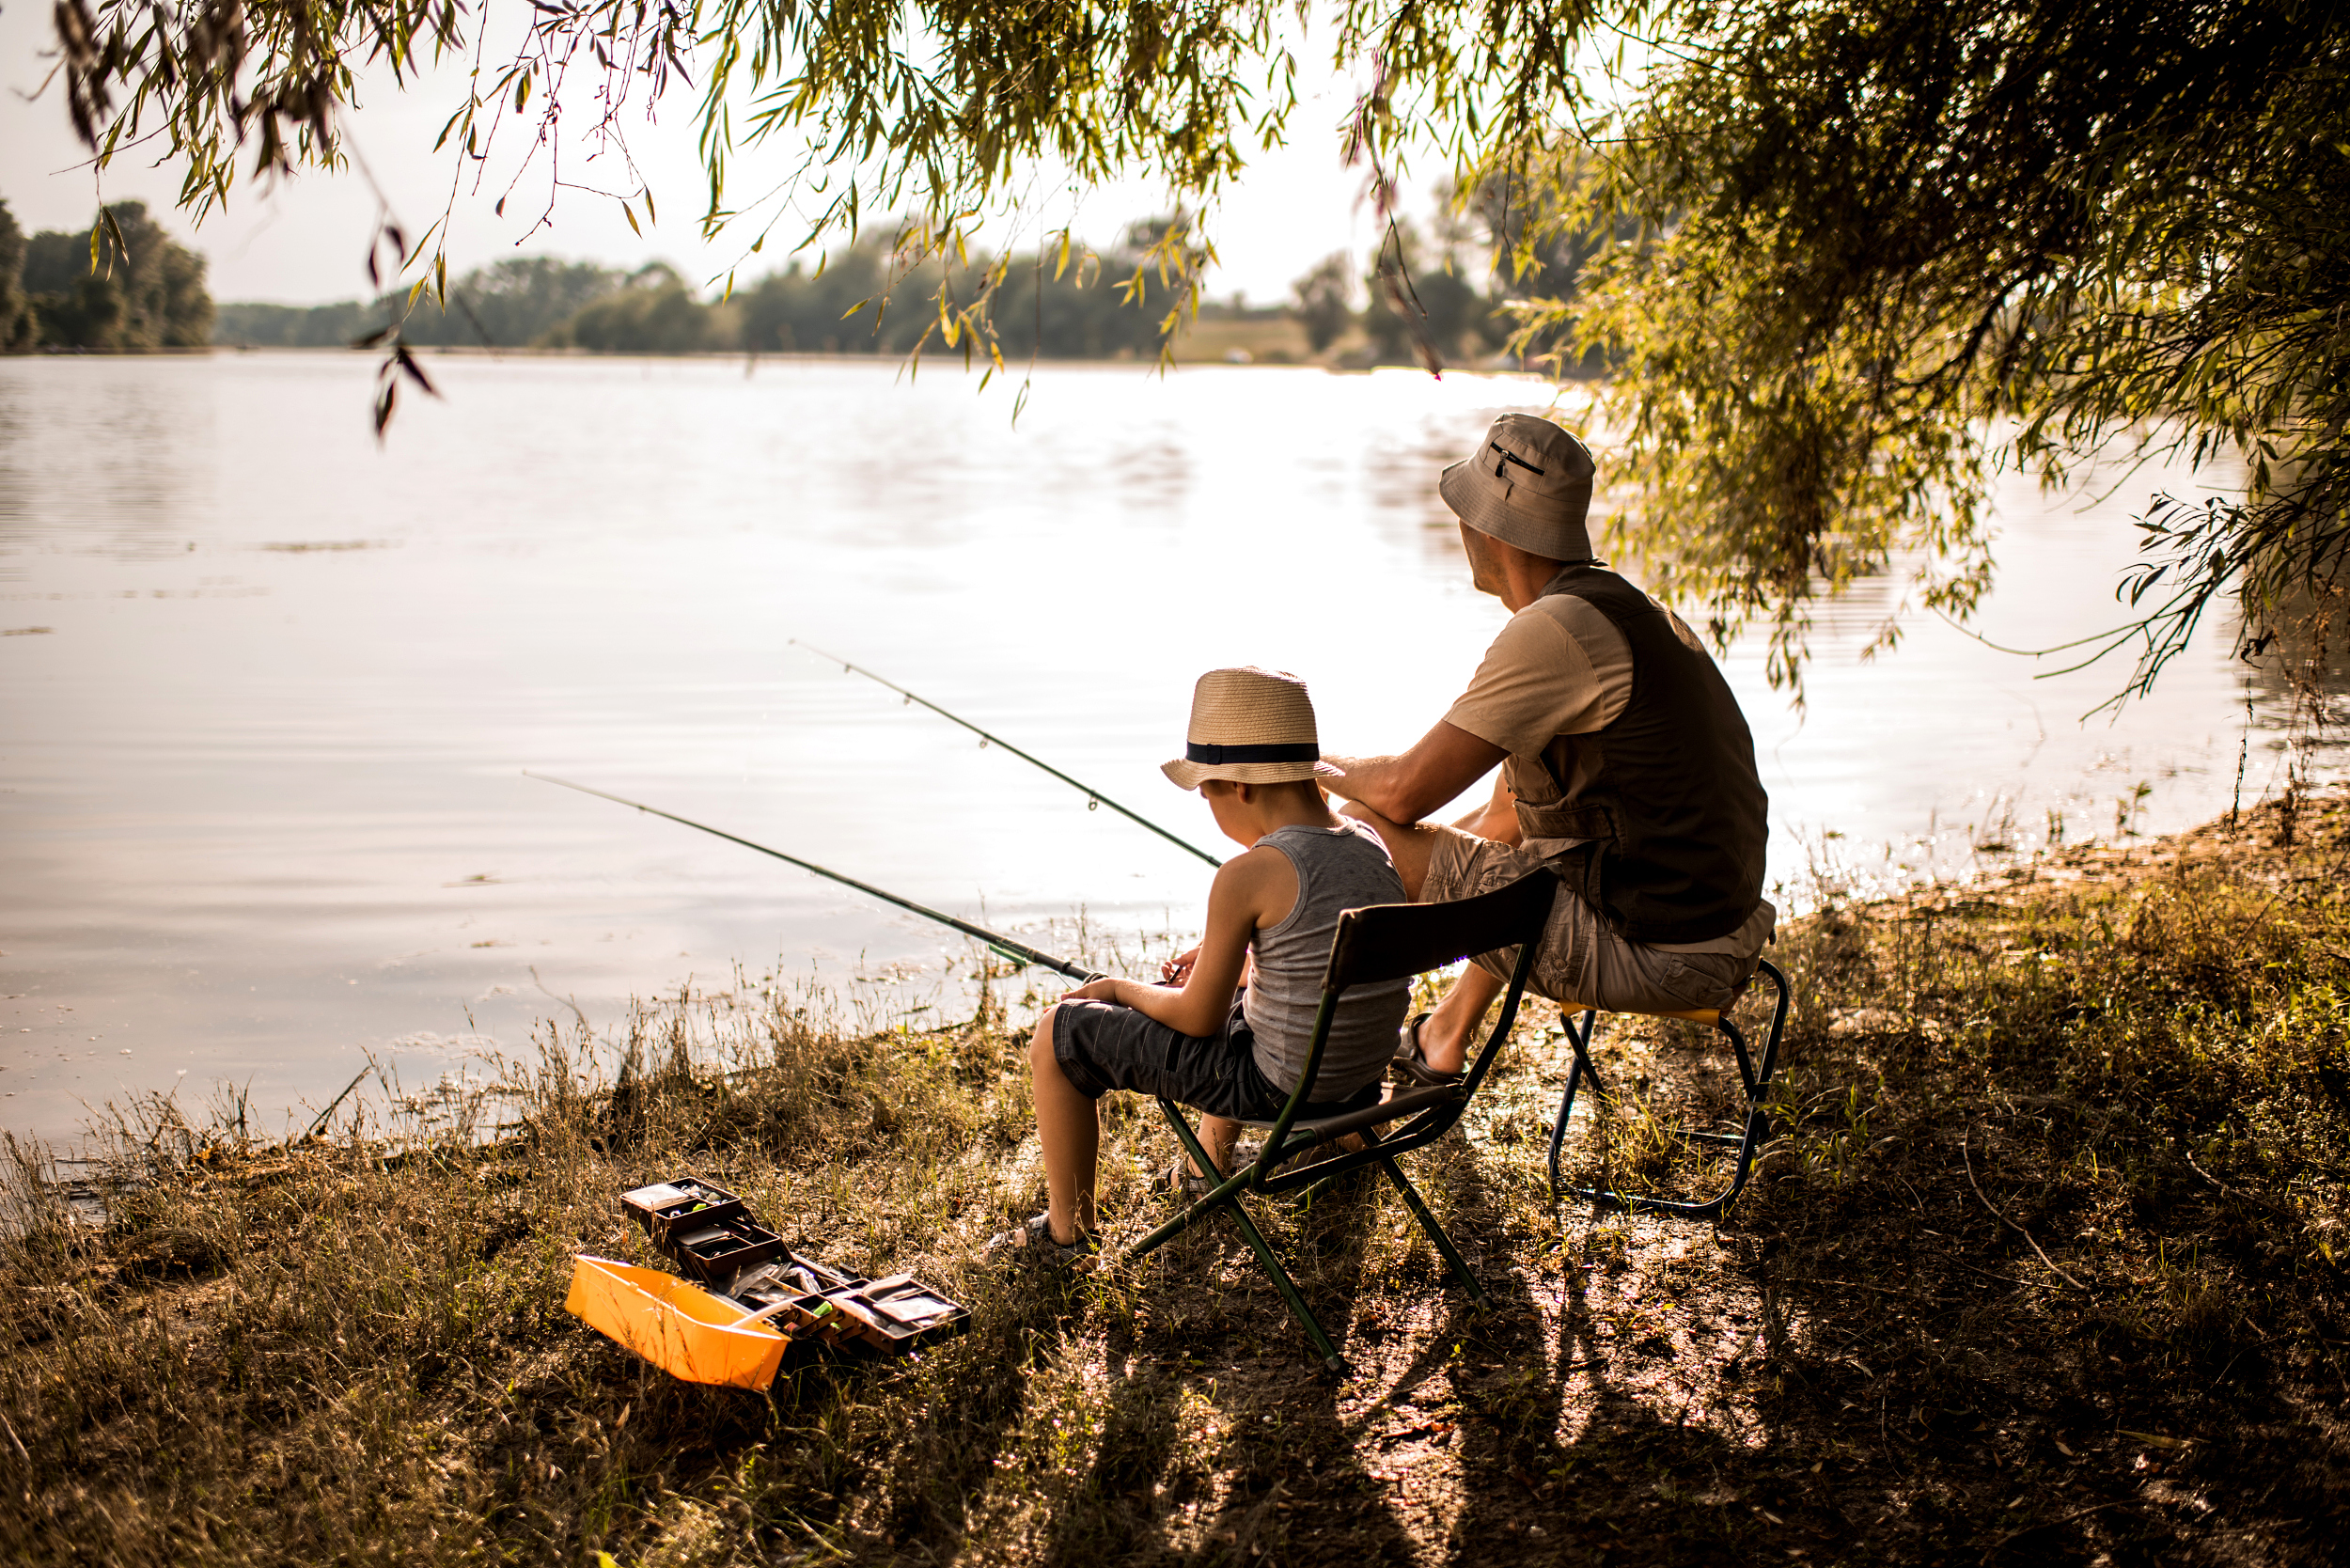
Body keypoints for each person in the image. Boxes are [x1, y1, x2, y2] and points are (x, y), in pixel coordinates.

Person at [1324, 413, 1774, 1083]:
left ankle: (1314, 1074)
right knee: (1501, 851)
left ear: (1485, 529)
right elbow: (1500, 823)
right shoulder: (1623, 609)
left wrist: (1294, 761)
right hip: (1722, 932)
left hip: (1667, 955)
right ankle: (1442, 1034)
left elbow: (1403, 793)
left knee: (1354, 836)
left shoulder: (1555, 632)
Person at [989, 666, 1411, 1266]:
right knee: (1240, 1003)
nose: (1208, 805)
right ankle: (1204, 1169)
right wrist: (1233, 963)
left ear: (1238, 786)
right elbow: (1316, 963)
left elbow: (1196, 1018)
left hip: (1280, 1090)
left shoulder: (1248, 874)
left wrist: (1118, 989)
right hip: (1359, 1081)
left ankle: (1066, 1237)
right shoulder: (1369, 845)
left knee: (1060, 1034)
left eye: (1206, 793)